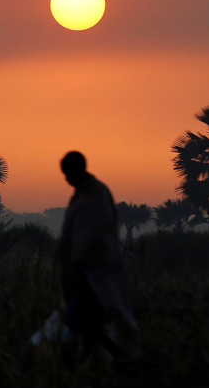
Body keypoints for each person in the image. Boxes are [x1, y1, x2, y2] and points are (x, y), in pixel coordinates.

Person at [59, 151, 142, 362]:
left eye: (67, 173)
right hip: (89, 271)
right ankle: (112, 360)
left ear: (77, 170)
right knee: (95, 321)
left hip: (94, 271)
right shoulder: (87, 193)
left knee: (80, 322)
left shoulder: (93, 195)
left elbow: (91, 236)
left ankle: (117, 358)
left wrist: (78, 268)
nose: (66, 179)